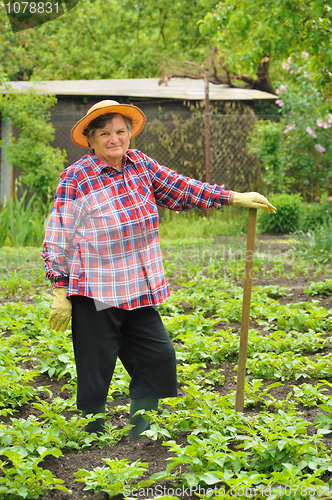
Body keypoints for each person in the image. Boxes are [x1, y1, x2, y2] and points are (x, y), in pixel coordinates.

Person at [42, 100, 276, 441]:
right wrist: (60, 290)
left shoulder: (141, 165)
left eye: (120, 131)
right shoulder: (77, 177)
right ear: (90, 140)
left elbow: (183, 188)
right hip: (96, 290)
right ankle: (88, 434)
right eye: (104, 133)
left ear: (130, 134)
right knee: (96, 366)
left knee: (157, 355)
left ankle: (142, 427)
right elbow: (59, 233)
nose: (114, 139)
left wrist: (234, 197)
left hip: (136, 286)